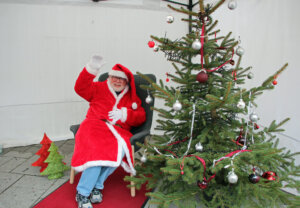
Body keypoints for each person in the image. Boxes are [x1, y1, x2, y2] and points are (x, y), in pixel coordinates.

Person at [71, 55, 146, 208]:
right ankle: (83, 193)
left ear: (126, 81)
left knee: (118, 154)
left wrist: (125, 114)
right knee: (97, 153)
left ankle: (97, 186)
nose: (117, 81)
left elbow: (141, 117)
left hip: (118, 132)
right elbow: (80, 88)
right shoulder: (98, 88)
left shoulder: (131, 98)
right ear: (109, 77)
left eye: (121, 79)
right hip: (93, 126)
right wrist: (91, 69)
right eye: (114, 78)